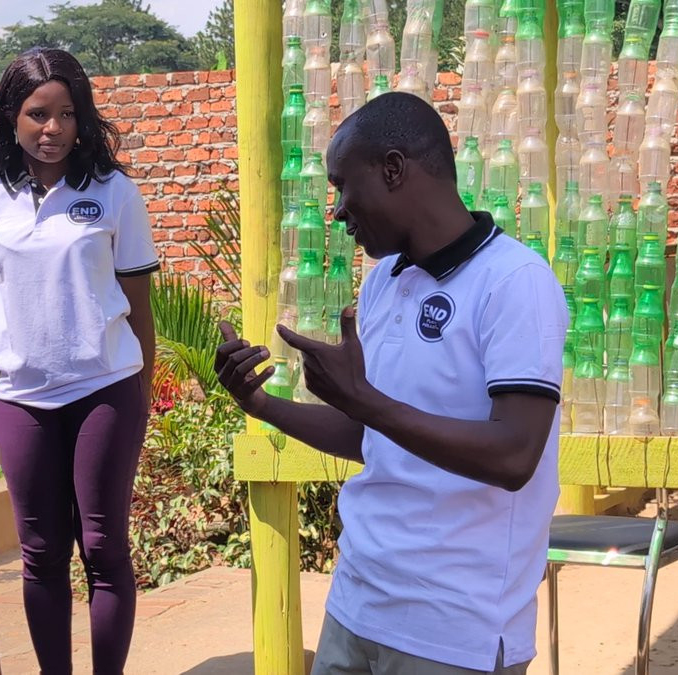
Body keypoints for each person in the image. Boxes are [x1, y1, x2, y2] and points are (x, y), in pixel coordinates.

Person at [215, 92, 568, 674]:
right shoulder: (384, 282)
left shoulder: (515, 282)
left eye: (342, 186)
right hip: (357, 604)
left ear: (393, 169)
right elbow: (373, 437)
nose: (337, 212)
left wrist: (366, 402)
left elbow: (514, 456)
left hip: (454, 630)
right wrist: (260, 404)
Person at [0, 47, 158, 675]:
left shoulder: (114, 192)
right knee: (41, 552)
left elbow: (139, 305)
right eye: (38, 114)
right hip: (20, 398)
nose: (53, 129)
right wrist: (7, 361)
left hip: (105, 388)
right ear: (10, 116)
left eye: (67, 114)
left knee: (103, 546)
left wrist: (141, 393)